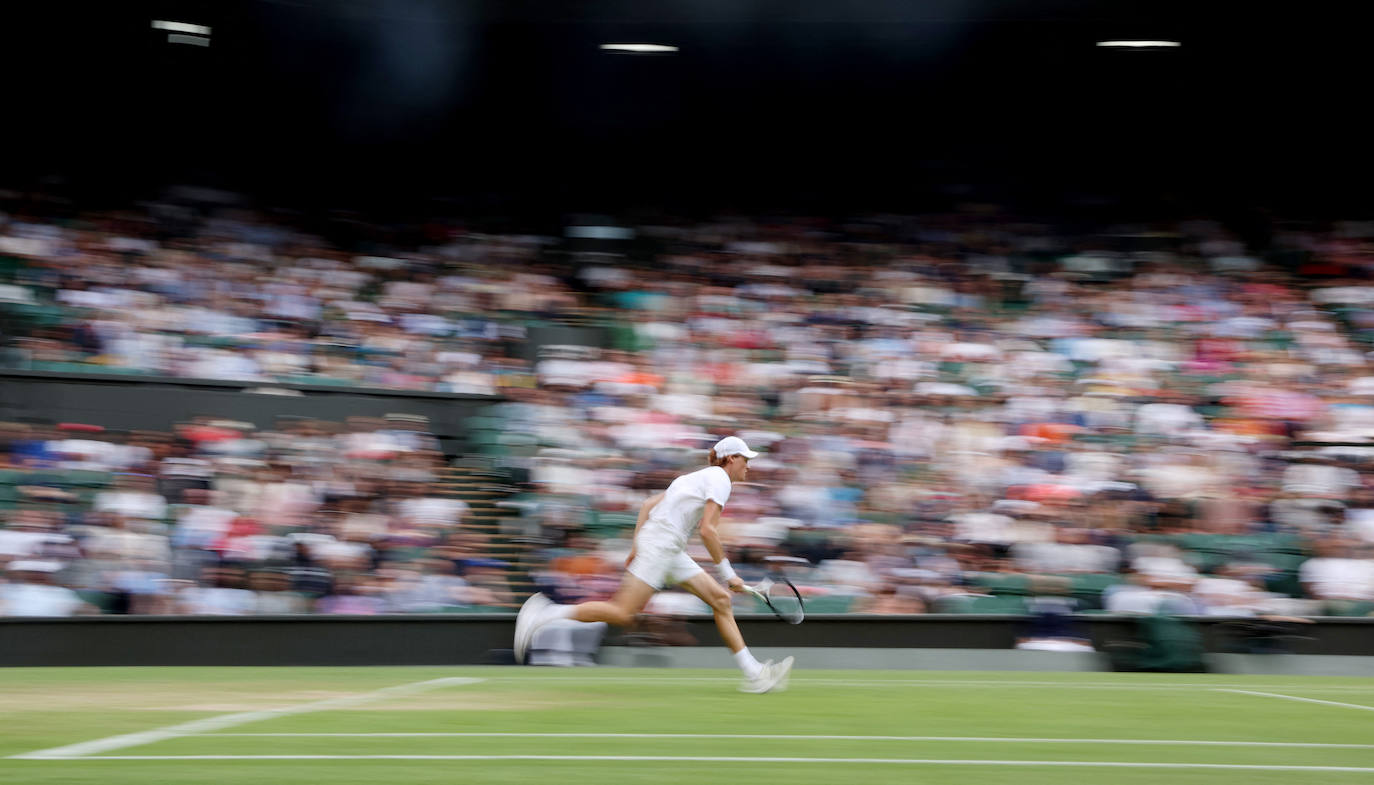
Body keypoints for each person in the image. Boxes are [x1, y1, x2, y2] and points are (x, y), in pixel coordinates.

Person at [514, 436, 793, 693]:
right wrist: (728, 573)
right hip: (661, 546)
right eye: (746, 459)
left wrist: (638, 544)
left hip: (667, 547)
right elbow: (708, 530)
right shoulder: (720, 479)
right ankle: (544, 615)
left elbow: (648, 504)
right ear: (730, 459)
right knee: (623, 613)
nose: (749, 466)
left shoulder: (693, 478)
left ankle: (754, 673)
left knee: (720, 600)